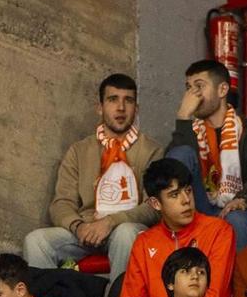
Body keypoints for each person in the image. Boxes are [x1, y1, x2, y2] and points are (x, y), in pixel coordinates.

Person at [24, 72, 160, 277]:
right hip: (86, 228)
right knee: (36, 241)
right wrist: (78, 226)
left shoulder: (152, 150)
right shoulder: (79, 150)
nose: (121, 108)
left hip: (126, 226)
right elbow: (61, 203)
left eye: (128, 100)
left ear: (136, 109)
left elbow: (154, 205)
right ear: (100, 107)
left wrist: (111, 221)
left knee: (125, 234)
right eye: (113, 99)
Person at [116, 157, 240, 297]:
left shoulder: (219, 231)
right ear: (155, 203)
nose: (186, 200)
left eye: (188, 191)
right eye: (174, 195)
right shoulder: (144, 242)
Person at [165, 59, 247, 247]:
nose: (193, 95)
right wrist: (183, 118)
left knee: (237, 220)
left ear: (222, 90)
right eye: (189, 88)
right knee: (181, 153)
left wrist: (242, 198)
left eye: (199, 86)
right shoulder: (190, 130)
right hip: (198, 206)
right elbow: (171, 169)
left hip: (236, 208)